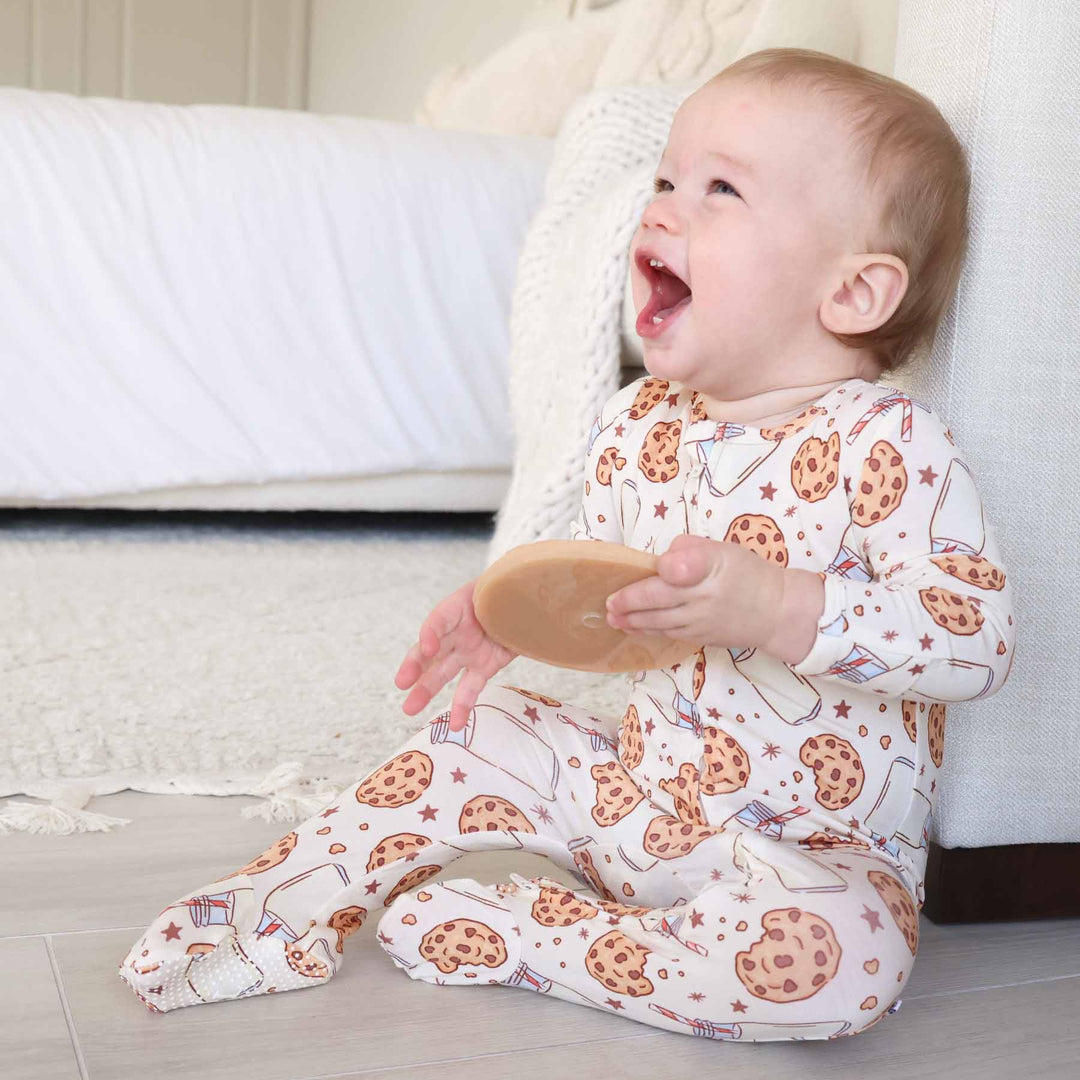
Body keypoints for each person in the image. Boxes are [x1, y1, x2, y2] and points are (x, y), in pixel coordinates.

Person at [119, 48, 1016, 1042]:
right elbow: (607, 597)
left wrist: (776, 605)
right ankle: (269, 913)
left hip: (811, 858)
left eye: (720, 189)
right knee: (477, 734)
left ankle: (536, 936)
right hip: (638, 807)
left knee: (845, 969)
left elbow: (976, 639)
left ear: (853, 295)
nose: (663, 207)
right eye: (668, 178)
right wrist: (516, 610)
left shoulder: (887, 443)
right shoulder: (642, 421)